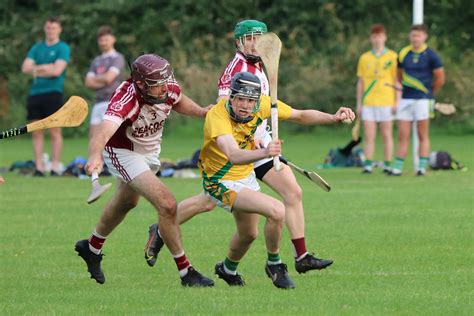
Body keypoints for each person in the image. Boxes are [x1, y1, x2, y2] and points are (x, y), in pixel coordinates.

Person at [145, 19, 334, 276]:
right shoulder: (236, 69)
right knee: (210, 201)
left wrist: (333, 117)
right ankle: (164, 227)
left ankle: (301, 255)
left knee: (292, 192)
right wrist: (253, 138)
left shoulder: (260, 66)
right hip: (237, 149)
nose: (255, 43)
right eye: (249, 38)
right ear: (239, 42)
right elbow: (225, 106)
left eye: (259, 38)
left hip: (259, 143)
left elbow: (290, 112)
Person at [195, 71, 353, 288]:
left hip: (245, 176)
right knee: (277, 210)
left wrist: (332, 117)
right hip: (219, 181)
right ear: (231, 97)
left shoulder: (264, 104)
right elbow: (233, 155)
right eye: (240, 98)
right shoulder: (217, 115)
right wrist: (266, 152)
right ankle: (275, 264)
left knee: (249, 234)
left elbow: (299, 115)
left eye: (250, 100)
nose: (244, 105)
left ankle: (227, 269)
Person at [75, 54, 214, 287]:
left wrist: (201, 111)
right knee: (167, 204)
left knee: (126, 202)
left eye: (165, 83)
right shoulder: (126, 98)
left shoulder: (164, 84)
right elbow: (104, 130)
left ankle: (91, 247)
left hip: (149, 152)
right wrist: (94, 155)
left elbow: (177, 100)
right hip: (123, 152)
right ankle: (186, 272)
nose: (164, 89)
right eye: (157, 86)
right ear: (140, 84)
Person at [391, 24, 445, 176]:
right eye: (413, 35)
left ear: (425, 37)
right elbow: (399, 74)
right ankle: (397, 168)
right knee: (403, 135)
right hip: (406, 99)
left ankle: (421, 168)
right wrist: (406, 87)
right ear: (410, 36)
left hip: (423, 100)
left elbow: (440, 78)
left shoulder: (431, 55)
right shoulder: (404, 53)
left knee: (422, 134)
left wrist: (429, 93)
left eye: (419, 35)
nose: (416, 38)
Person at [21, 17, 70, 176]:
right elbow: (25, 68)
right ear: (45, 29)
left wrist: (36, 69)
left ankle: (55, 166)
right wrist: (47, 67)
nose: (51, 31)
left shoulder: (63, 47)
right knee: (36, 131)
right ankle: (39, 167)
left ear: (59, 29)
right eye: (48, 28)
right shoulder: (37, 47)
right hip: (35, 94)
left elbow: (57, 71)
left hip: (53, 93)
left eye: (54, 28)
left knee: (54, 131)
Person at [356, 24, 400, 174]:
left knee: (387, 134)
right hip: (369, 102)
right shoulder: (364, 58)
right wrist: (359, 104)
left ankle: (388, 163)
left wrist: (397, 101)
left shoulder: (393, 56)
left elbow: (397, 80)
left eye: (380, 36)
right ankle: (368, 164)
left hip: (387, 100)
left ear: (385, 37)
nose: (377, 39)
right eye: (374, 36)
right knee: (369, 135)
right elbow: (360, 82)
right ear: (370, 38)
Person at [85, 25, 125, 140]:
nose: (103, 43)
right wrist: (104, 80)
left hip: (113, 102)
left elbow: (109, 78)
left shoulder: (117, 58)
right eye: (101, 40)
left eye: (106, 39)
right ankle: (95, 159)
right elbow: (88, 83)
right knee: (94, 138)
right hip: (98, 102)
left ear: (113, 39)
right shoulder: (96, 60)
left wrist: (97, 79)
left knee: (110, 138)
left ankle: (110, 159)